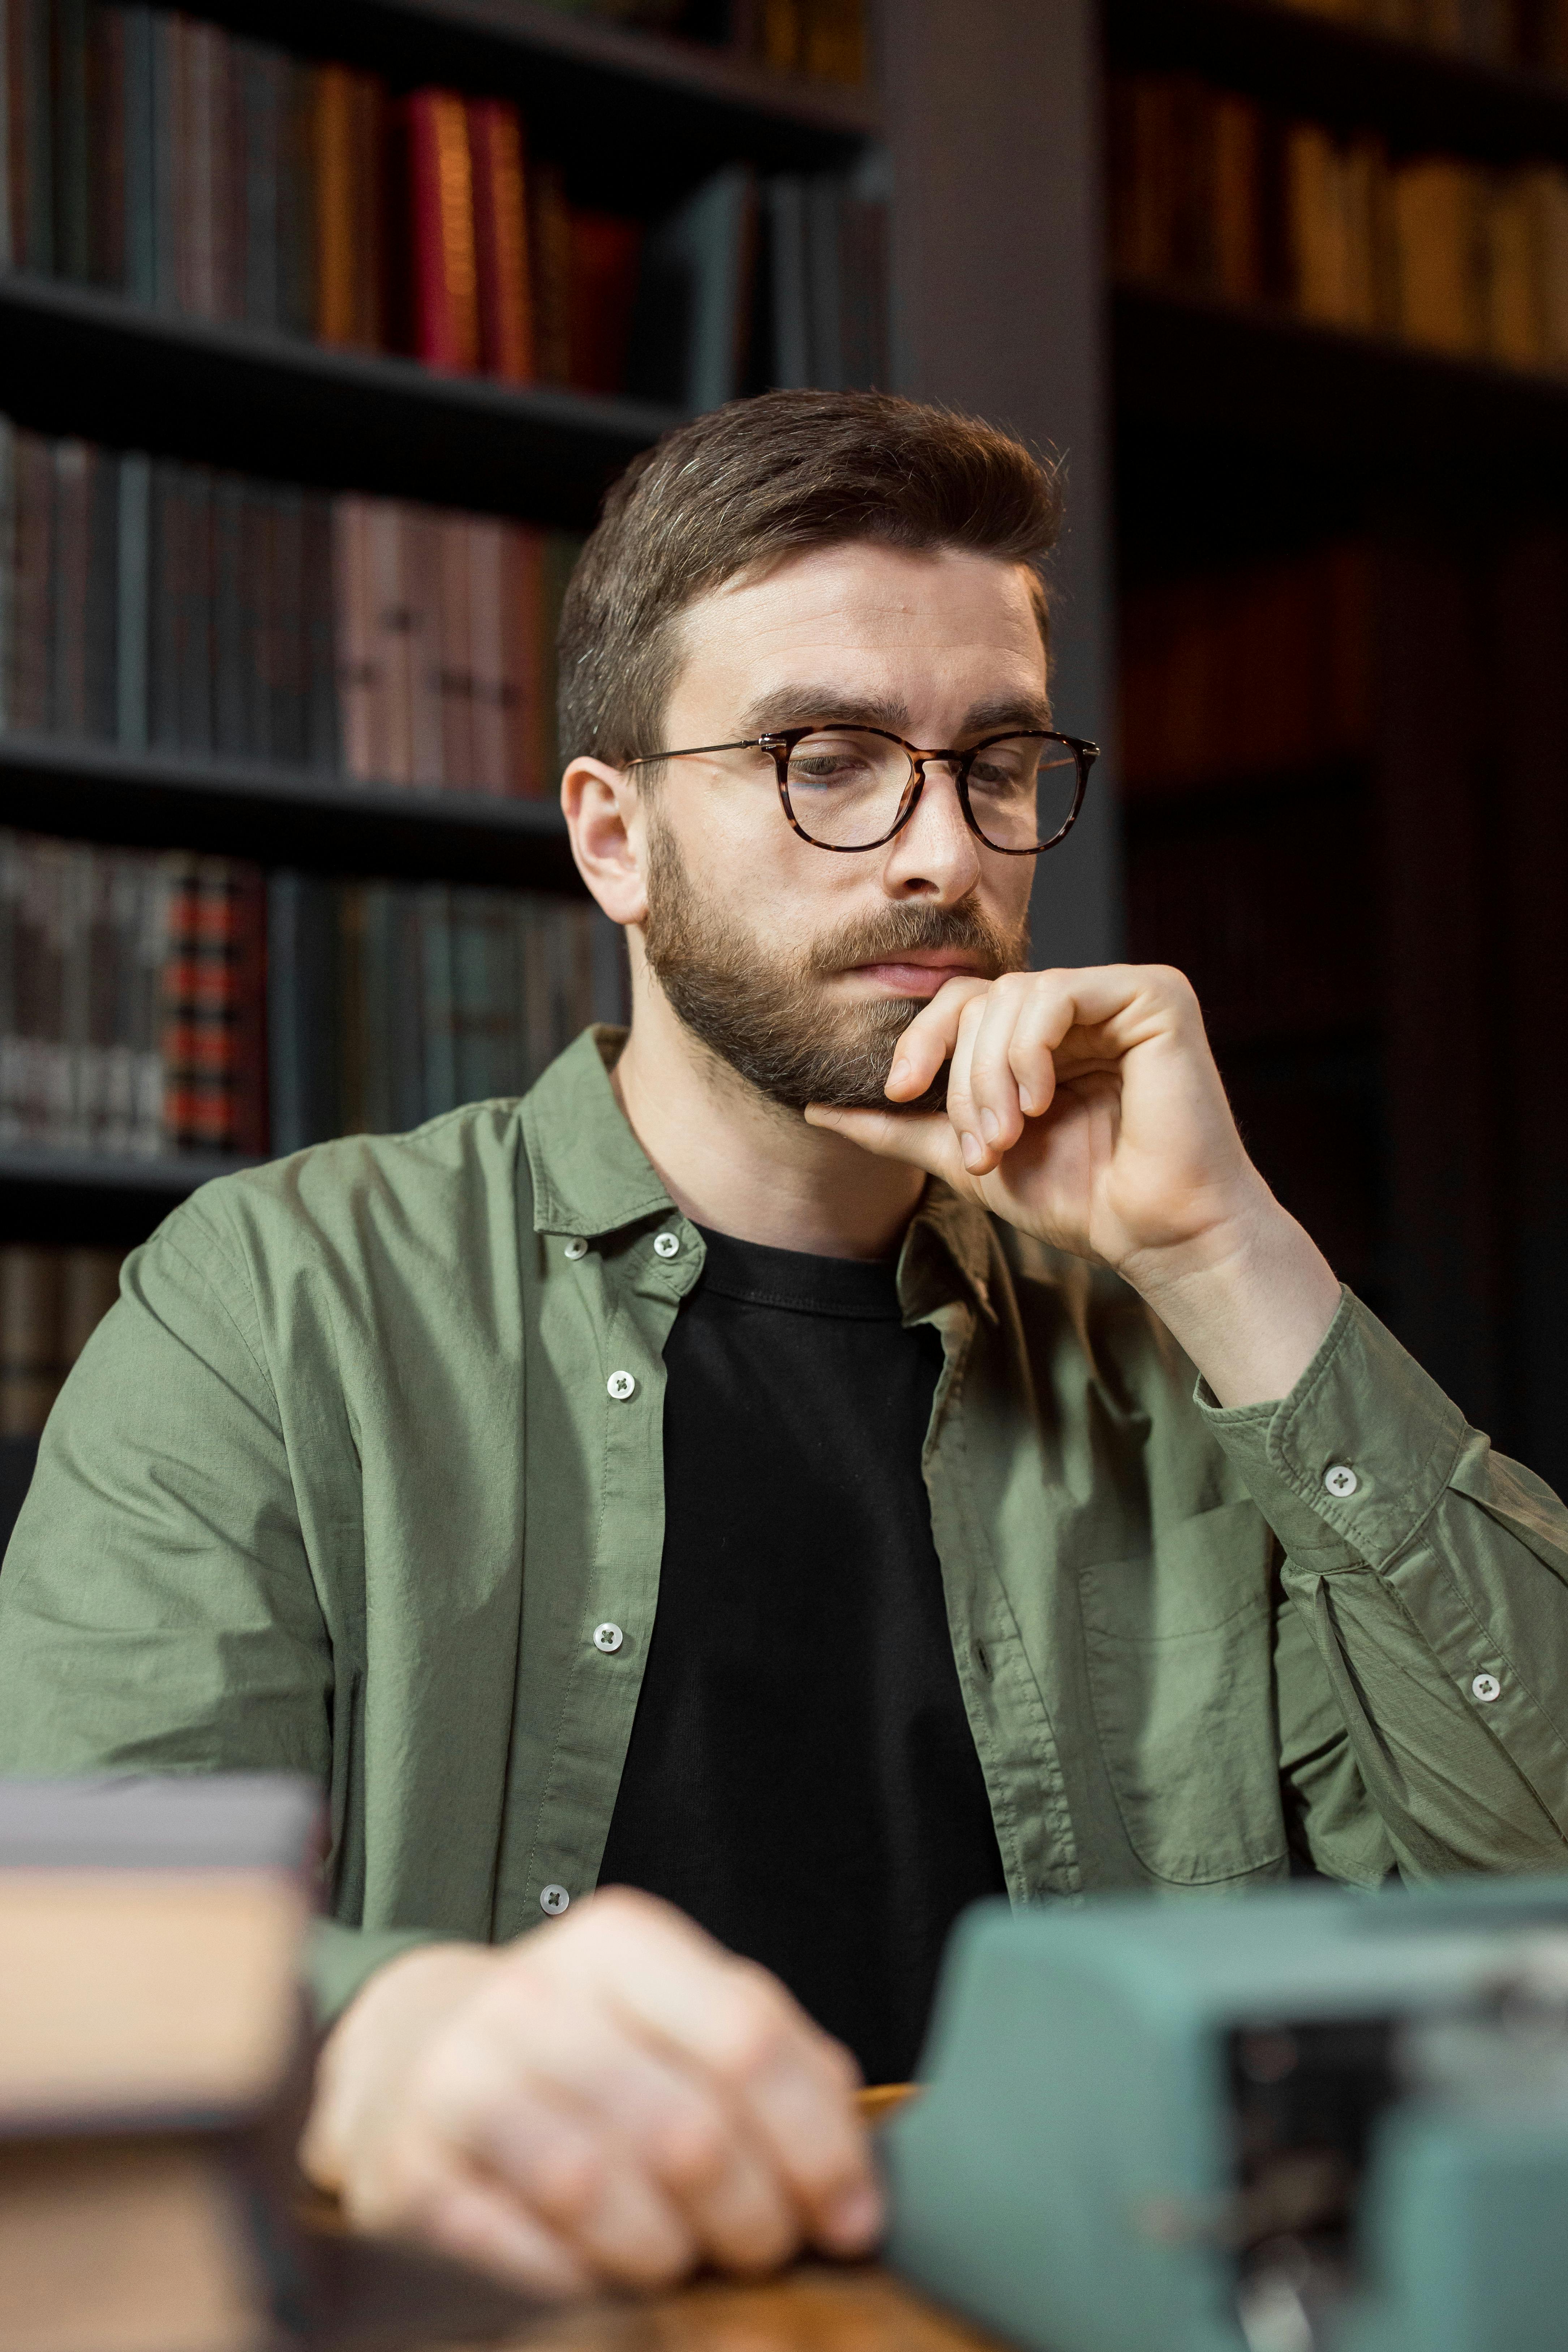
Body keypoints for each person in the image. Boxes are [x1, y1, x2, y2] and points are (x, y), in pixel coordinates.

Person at [3, 389, 1567, 2300]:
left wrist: (1226, 1254)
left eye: (994, 762)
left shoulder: (1168, 1337)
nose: (934, 852)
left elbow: (1530, 1897)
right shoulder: (275, 1298)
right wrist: (381, 2031)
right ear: (615, 838)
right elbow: (69, 1944)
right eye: (827, 758)